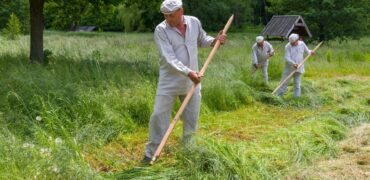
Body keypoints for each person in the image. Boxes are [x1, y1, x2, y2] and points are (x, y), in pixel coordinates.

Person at [142, 0, 227, 163]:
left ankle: (188, 151)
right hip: (169, 82)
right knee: (158, 116)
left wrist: (215, 41)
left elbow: (202, 39)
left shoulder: (194, 22)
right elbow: (169, 58)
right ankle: (150, 153)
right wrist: (188, 72)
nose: (167, 18)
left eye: (171, 15)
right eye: (165, 15)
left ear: (181, 11)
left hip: (192, 82)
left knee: (191, 119)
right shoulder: (161, 30)